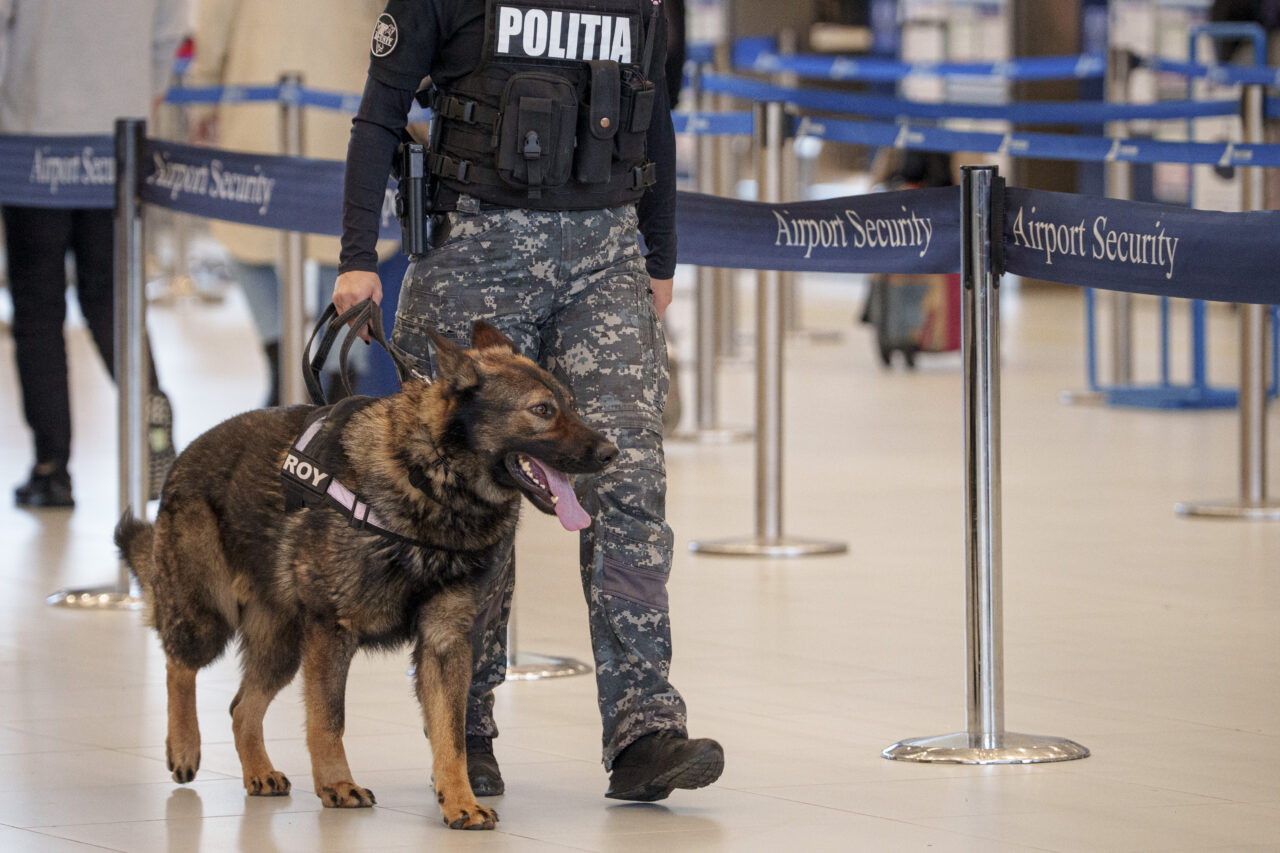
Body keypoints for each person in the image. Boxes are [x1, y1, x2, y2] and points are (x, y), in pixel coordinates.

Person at [334, 0, 724, 801]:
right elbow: (379, 114)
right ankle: (465, 726)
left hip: (604, 250)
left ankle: (645, 728)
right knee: (466, 494)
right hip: (475, 242)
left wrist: (662, 254)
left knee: (627, 479)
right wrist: (355, 255)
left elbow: (652, 116)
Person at [0, 0, 183, 507]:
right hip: (119, 135)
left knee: (38, 309)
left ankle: (51, 468)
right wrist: (142, 97)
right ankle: (154, 436)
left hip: (32, 137)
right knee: (112, 299)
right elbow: (170, 29)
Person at [186, 0, 395, 405]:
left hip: (259, 113)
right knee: (344, 256)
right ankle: (335, 386)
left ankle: (281, 358)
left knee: (247, 241)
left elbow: (212, 29)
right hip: (353, 115)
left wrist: (202, 99)